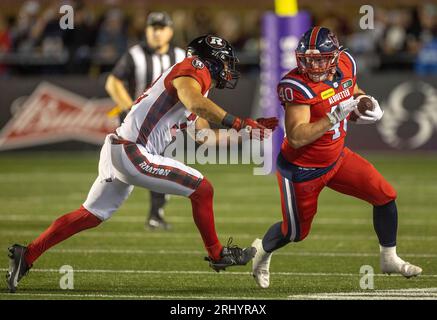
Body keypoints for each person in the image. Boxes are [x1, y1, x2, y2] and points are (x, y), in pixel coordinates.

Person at [6, 34, 278, 293]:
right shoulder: (193, 68)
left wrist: (245, 132)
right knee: (202, 189)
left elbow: (204, 135)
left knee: (90, 214)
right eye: (225, 63)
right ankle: (217, 253)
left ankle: (27, 254)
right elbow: (196, 104)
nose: (228, 70)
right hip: (132, 151)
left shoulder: (191, 85)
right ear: (211, 60)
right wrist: (239, 120)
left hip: (121, 149)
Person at [251, 26, 422, 289]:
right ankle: (261, 252)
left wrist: (365, 102)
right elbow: (296, 136)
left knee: (385, 195)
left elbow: (352, 90)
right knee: (295, 232)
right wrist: (334, 116)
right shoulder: (297, 85)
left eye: (320, 58)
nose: (313, 64)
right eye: (308, 59)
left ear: (334, 56)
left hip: (338, 158)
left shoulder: (346, 62)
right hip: (302, 169)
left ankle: (389, 257)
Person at [106, 12, 186, 230]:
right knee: (121, 170)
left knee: (159, 166)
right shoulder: (135, 55)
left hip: (164, 125)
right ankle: (101, 205)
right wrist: (129, 107)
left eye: (162, 28)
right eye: (153, 28)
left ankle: (155, 214)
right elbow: (113, 82)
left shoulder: (180, 55)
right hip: (135, 126)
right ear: (146, 30)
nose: (157, 33)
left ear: (170, 31)